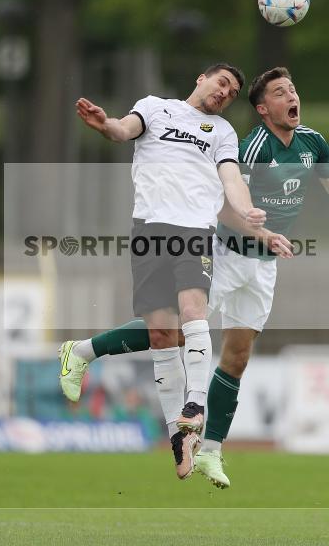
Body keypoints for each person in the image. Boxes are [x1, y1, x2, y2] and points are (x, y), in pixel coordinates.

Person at [60, 67, 329, 488]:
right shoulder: (250, 145)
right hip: (226, 253)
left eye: (293, 89)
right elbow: (226, 202)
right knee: (173, 332)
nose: (291, 96)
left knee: (237, 358)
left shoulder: (312, 143)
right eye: (281, 92)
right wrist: (258, 227)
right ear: (264, 108)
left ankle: (210, 450)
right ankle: (86, 351)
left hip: (264, 265)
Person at [70, 63, 268, 480]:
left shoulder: (222, 133)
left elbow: (231, 178)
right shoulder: (155, 108)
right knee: (161, 335)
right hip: (148, 228)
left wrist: (247, 209)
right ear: (201, 78)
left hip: (195, 231)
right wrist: (104, 123)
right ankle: (177, 436)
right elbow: (124, 130)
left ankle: (194, 406)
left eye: (232, 92)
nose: (224, 93)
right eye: (221, 84)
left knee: (194, 312)